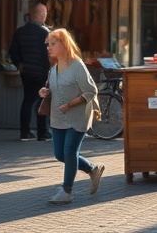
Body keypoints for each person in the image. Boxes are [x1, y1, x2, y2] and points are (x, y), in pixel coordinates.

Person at [40, 27, 105, 206]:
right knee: (60, 154)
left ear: (64, 44)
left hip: (77, 117)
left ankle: (66, 191)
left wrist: (70, 105)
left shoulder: (77, 66)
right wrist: (44, 91)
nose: (49, 48)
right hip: (58, 118)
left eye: (52, 44)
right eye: (48, 44)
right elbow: (54, 89)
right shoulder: (53, 69)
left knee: (70, 152)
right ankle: (92, 168)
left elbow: (91, 91)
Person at [9, 1, 51, 142]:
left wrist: (20, 65)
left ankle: (25, 132)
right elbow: (50, 54)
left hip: (26, 72)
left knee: (27, 100)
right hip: (42, 72)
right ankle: (42, 132)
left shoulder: (20, 32)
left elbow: (13, 52)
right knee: (42, 101)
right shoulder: (45, 33)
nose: (45, 16)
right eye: (44, 13)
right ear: (39, 15)